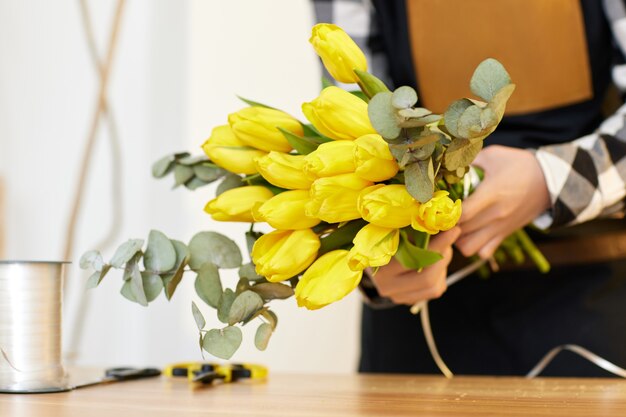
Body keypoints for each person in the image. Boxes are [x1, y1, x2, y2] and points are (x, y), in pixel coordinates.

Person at [312, 0, 626, 376]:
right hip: (420, 308)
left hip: (594, 292)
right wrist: (374, 262)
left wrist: (549, 179)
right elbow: (353, 115)